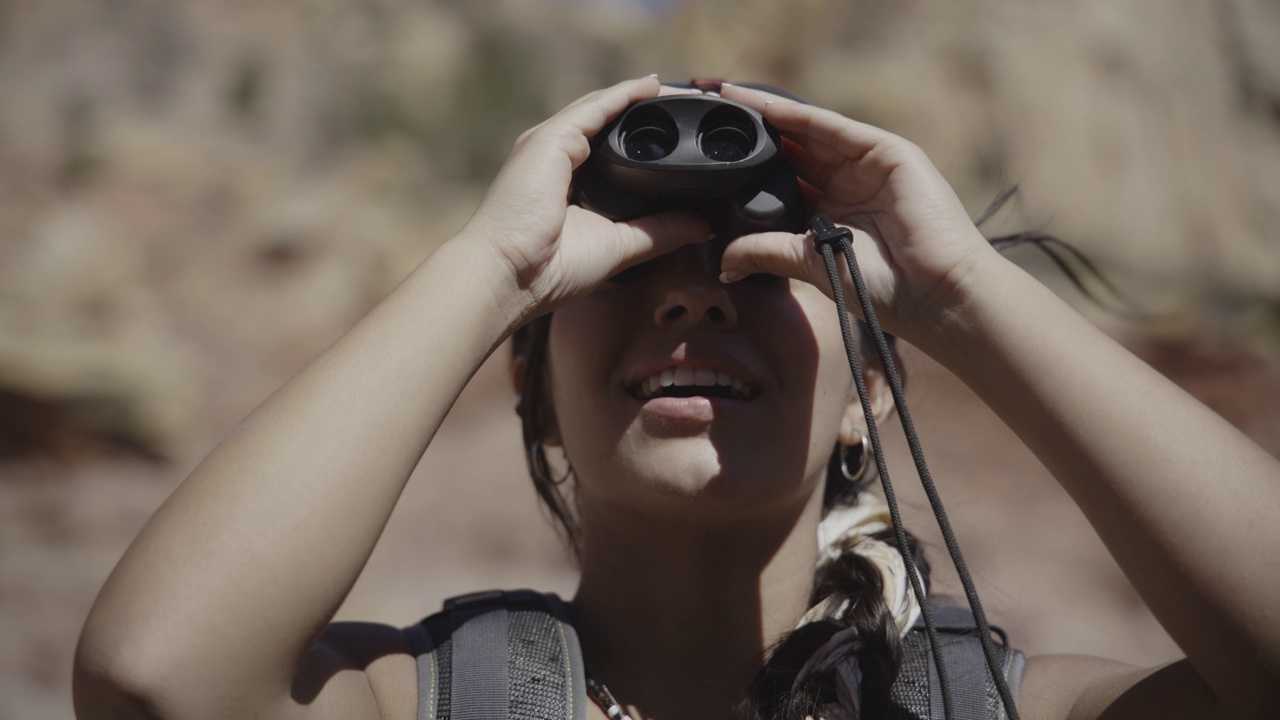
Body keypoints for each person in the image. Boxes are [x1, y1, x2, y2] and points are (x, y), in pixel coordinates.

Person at [72, 76, 1280, 720]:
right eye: (636, 264)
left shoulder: (997, 709)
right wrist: (499, 267)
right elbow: (154, 683)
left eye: (762, 266)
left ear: (868, 386)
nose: (694, 301)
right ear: (531, 391)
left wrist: (956, 291)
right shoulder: (421, 702)